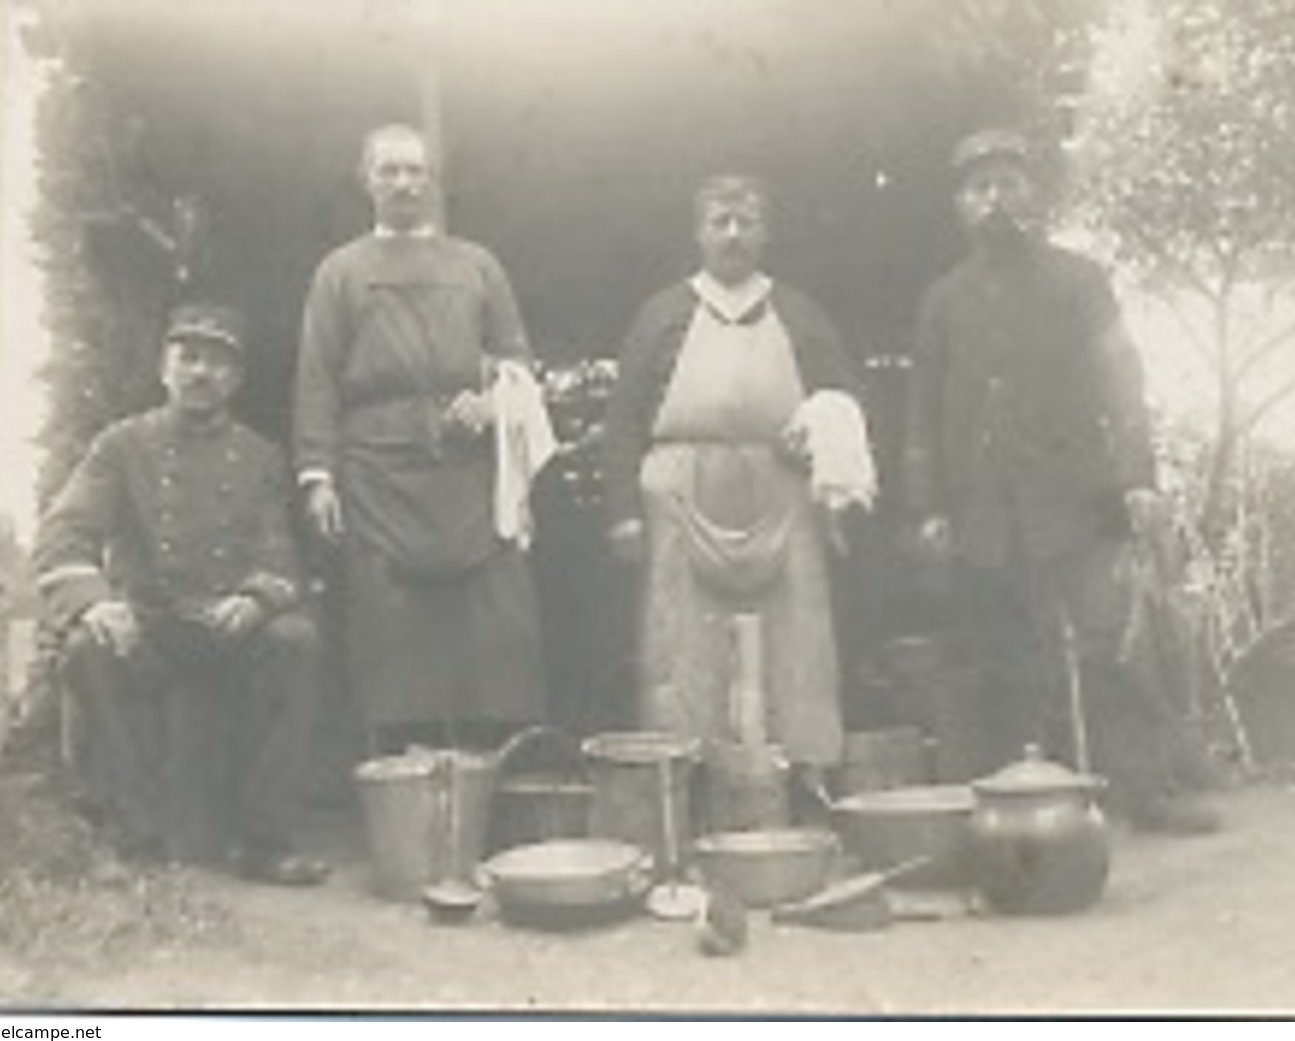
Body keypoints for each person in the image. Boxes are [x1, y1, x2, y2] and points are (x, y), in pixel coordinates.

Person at [902, 128, 1219, 834]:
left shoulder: (1079, 280)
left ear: (1032, 194)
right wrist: (928, 503)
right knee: (1003, 653)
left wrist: (1136, 476)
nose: (994, 200)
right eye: (978, 187)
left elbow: (1121, 381)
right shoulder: (942, 301)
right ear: (959, 205)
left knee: (1110, 643)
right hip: (984, 506)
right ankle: (1015, 809)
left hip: (1079, 497)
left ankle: (1145, 789)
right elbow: (922, 409)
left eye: (1007, 183)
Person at [36, 303, 329, 883]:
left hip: (227, 626)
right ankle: (131, 838)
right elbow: (64, 532)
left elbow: (277, 552)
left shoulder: (260, 457)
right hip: (149, 625)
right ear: (163, 368)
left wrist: (255, 599)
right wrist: (98, 602)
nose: (200, 373)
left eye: (217, 363)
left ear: (237, 380)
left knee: (296, 641)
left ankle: (265, 842)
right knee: (88, 651)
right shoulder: (121, 446)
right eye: (188, 357)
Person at [601, 174, 874, 787]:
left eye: (745, 223)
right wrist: (621, 510)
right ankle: (685, 776)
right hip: (680, 493)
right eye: (719, 223)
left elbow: (845, 402)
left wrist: (824, 434)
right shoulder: (662, 315)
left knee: (799, 634)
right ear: (698, 233)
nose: (732, 235)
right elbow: (622, 418)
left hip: (781, 492)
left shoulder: (800, 314)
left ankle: (803, 774)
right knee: (678, 642)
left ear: (765, 233)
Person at [293, 124, 551, 754]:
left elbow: (519, 360)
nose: (404, 184)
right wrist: (318, 475)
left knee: (494, 629)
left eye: (415, 171)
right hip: (378, 473)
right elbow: (317, 374)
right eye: (390, 171)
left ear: (434, 179)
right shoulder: (341, 272)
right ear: (367, 181)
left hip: (469, 476)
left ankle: (490, 774)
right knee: (392, 630)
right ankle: (403, 781)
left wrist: (494, 402)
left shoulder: (478, 266)